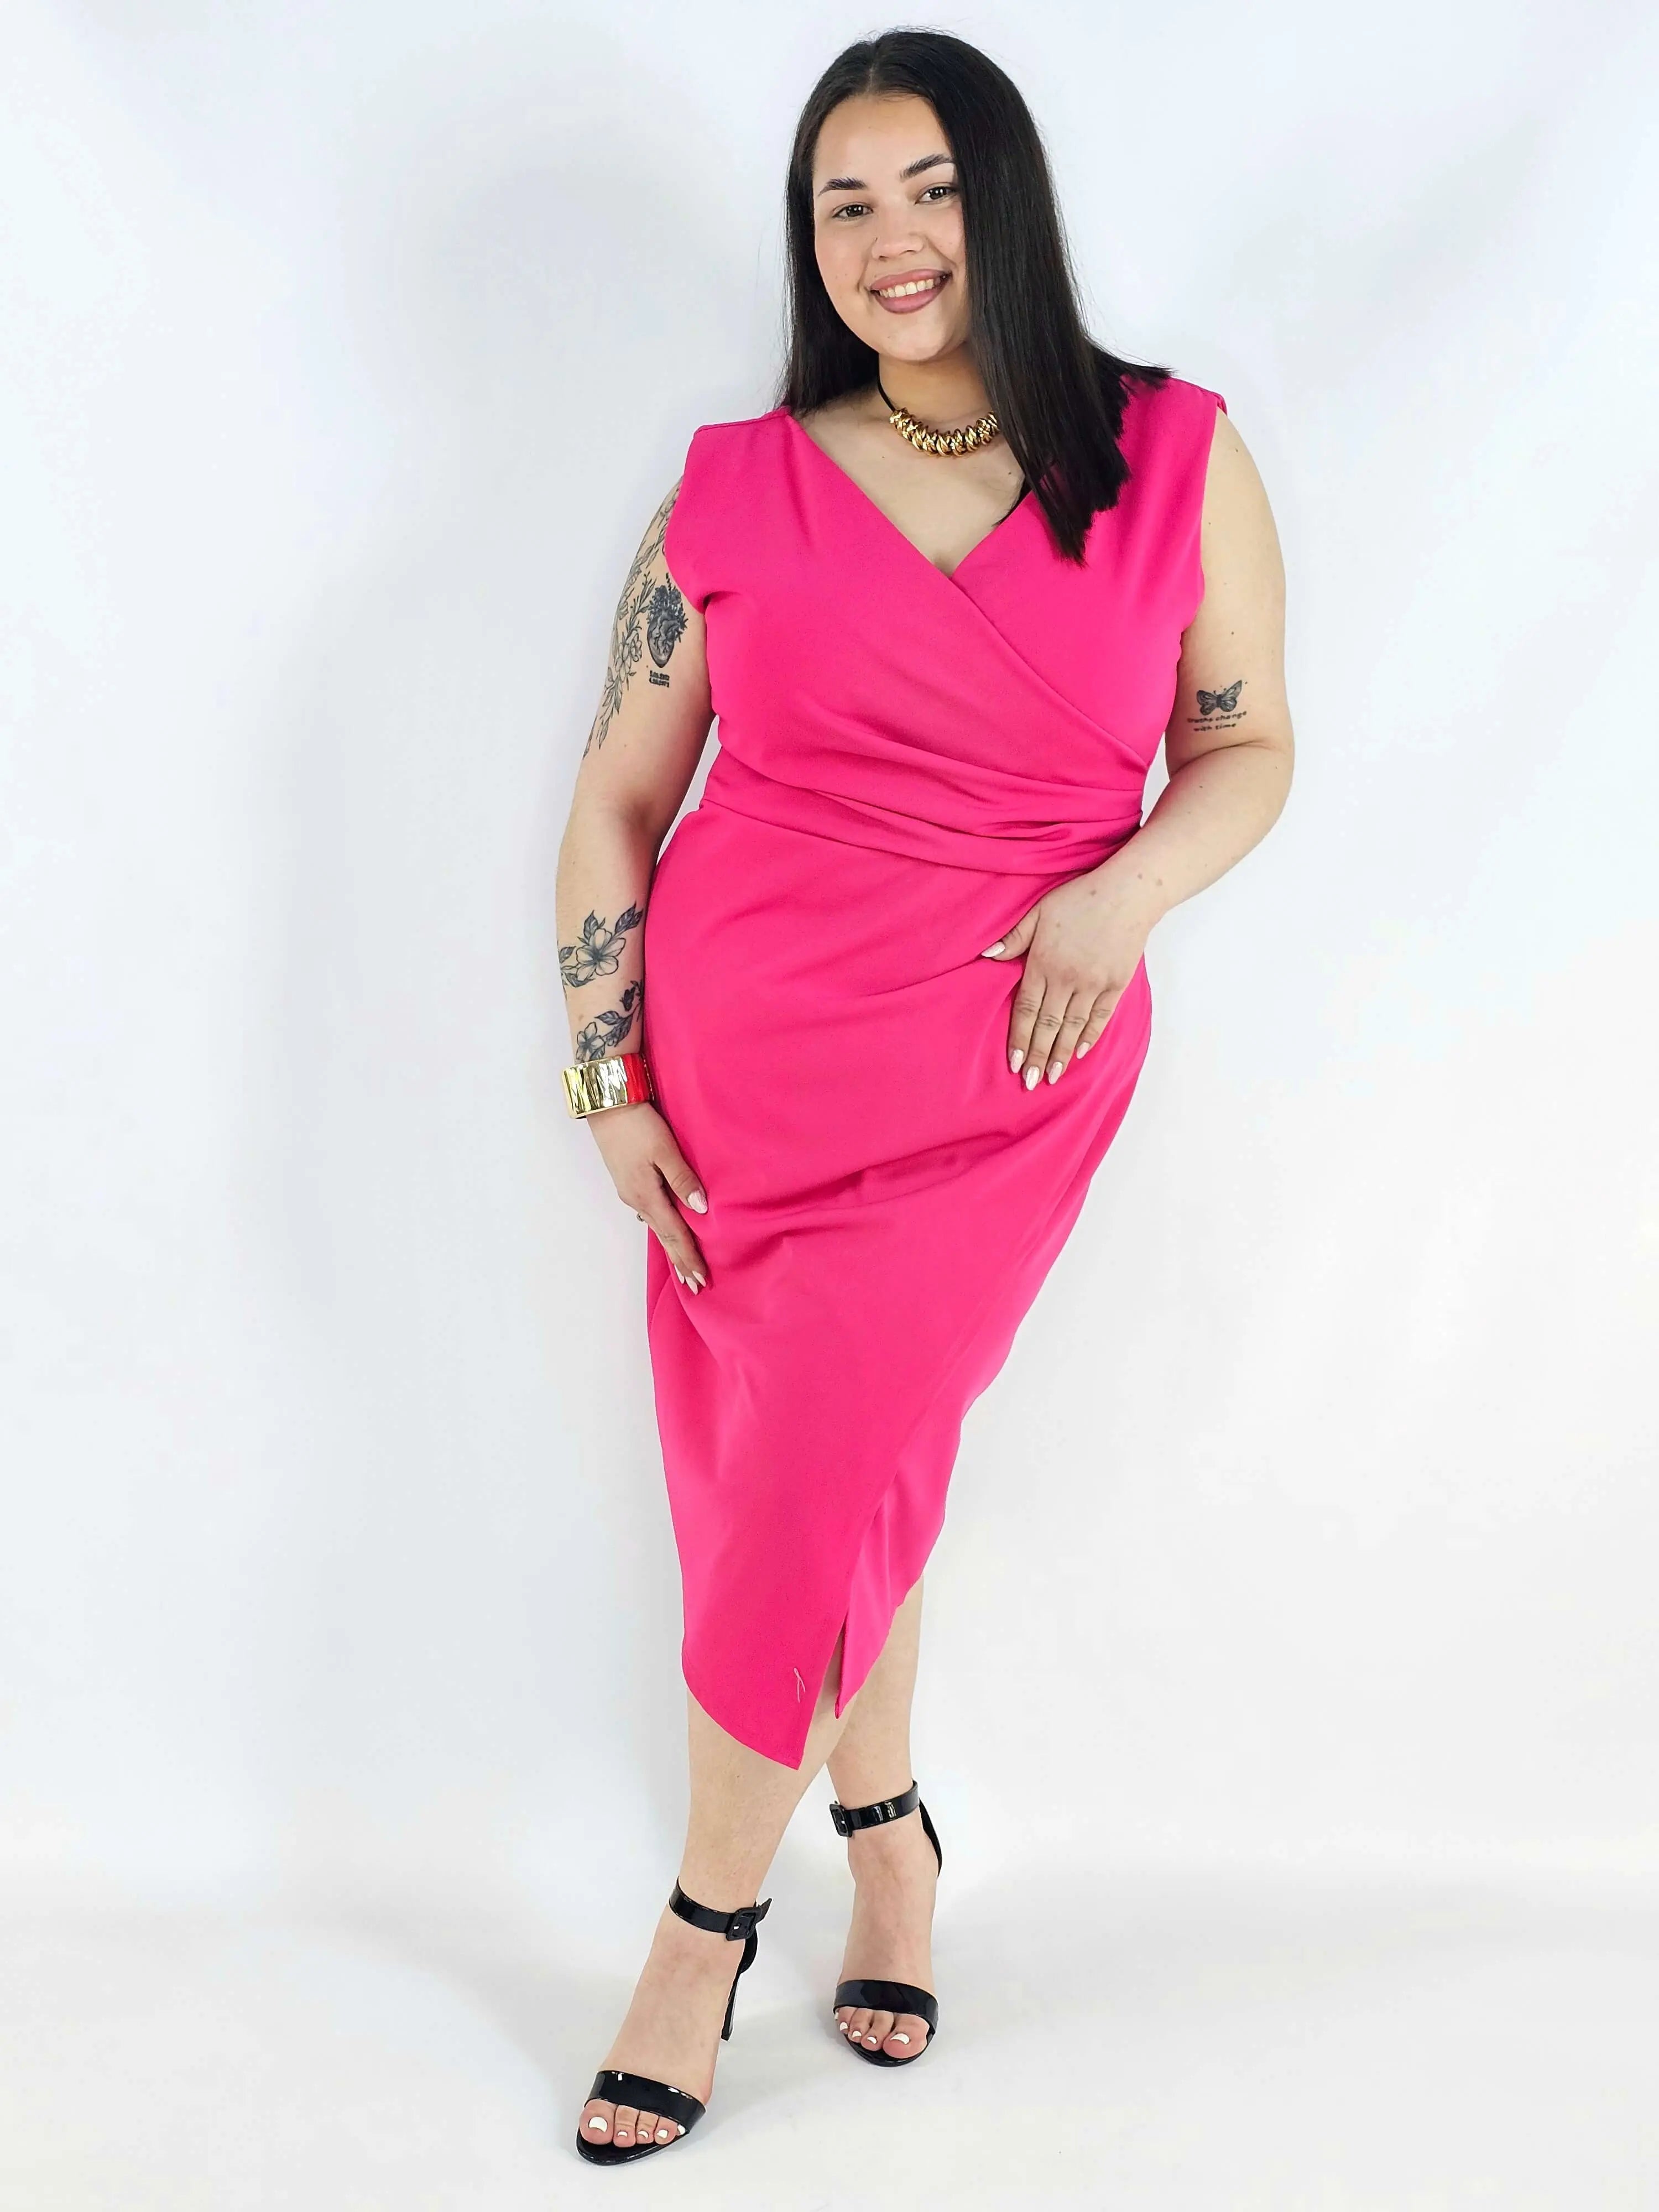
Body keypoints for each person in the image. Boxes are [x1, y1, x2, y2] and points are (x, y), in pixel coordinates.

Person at [557, 28, 1293, 2167]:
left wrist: (1118, 901)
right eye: (846, 203)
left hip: (1003, 1071)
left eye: (935, 188)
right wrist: (607, 1079)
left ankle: (701, 1928)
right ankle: (883, 1828)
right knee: (823, 1472)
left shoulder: (1173, 453)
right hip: (741, 1077)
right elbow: (616, 800)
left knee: (811, 1476)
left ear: (1010, 199)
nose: (893, 240)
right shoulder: (731, 486)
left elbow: (1247, 746)